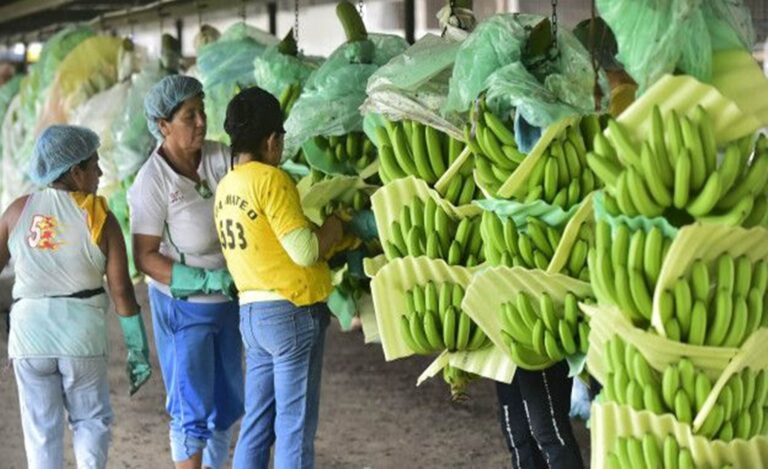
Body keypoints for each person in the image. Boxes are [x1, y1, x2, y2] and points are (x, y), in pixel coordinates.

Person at [0, 125, 151, 469]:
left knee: (41, 433)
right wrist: (137, 348)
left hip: (29, 340)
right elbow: (122, 291)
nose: (100, 174)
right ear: (75, 171)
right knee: (90, 422)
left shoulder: (17, 211)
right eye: (95, 165)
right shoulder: (100, 218)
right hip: (81, 339)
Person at [215, 86, 344, 469]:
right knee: (293, 428)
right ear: (271, 140)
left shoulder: (226, 185)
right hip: (290, 314)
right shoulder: (271, 180)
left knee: (256, 425)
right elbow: (304, 250)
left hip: (252, 316)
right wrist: (335, 227)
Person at [128, 75, 243, 469]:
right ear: (163, 125)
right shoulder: (152, 181)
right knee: (190, 407)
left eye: (202, 111)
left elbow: (254, 184)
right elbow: (145, 257)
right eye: (189, 115)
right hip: (184, 307)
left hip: (228, 301)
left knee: (226, 402)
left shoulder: (219, 156)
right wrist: (204, 280)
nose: (201, 121)